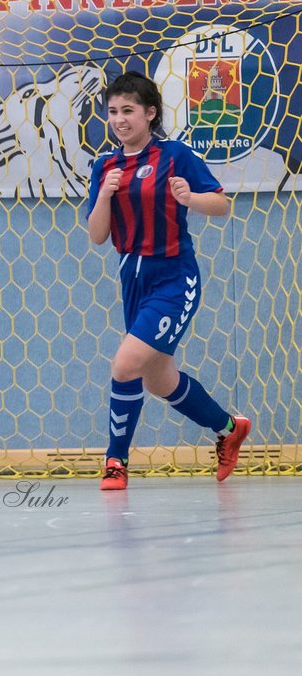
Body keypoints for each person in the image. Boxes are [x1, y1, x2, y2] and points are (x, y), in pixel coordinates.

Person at [86, 70, 250, 490]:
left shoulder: (175, 155)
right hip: (132, 279)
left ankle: (115, 461)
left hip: (174, 277)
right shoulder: (104, 165)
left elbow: (222, 205)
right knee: (158, 379)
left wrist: (190, 198)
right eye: (113, 112)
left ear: (150, 113)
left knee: (125, 365)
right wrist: (105, 194)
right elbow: (97, 236)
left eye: (129, 110)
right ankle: (229, 429)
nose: (120, 119)